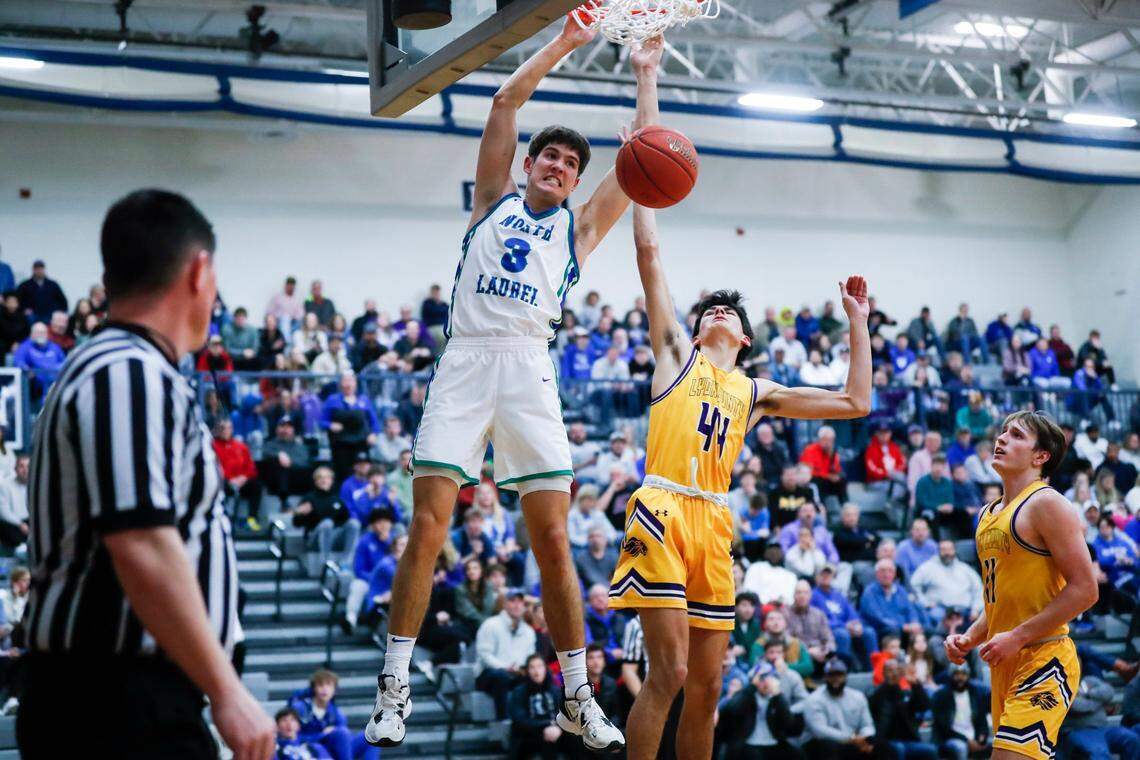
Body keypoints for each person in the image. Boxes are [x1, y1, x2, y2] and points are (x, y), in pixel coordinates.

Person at [368, 20, 654, 752]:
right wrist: (567, 40)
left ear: (576, 181)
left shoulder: (580, 229)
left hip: (530, 368)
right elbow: (502, 101)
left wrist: (645, 74)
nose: (558, 165)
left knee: (554, 541)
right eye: (550, 155)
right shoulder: (491, 199)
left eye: (569, 162)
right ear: (530, 164)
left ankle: (576, 696)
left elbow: (646, 163)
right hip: (466, 362)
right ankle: (394, 686)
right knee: (428, 527)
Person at [611, 189, 871, 760]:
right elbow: (648, 252)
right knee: (670, 672)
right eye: (710, 310)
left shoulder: (757, 392)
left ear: (746, 339)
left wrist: (858, 323)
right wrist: (639, 179)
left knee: (706, 688)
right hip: (663, 507)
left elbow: (855, 402)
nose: (716, 313)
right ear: (699, 329)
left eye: (729, 311)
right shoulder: (676, 353)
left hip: (715, 520)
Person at [19, 190, 275, 758]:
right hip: (116, 703)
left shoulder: (121, 367)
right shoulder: (126, 371)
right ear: (199, 271)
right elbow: (141, 542)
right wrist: (227, 690)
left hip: (122, 698)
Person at [945, 411, 1099, 760]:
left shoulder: (1047, 503)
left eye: (1015, 435)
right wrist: (971, 637)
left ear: (1040, 456)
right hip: (1005, 663)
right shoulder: (987, 514)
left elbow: (1086, 590)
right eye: (1002, 432)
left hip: (1045, 656)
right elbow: (1002, 598)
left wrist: (1016, 636)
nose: (1001, 439)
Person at [717, 660, 806, 759]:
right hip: (748, 743)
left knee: (799, 755)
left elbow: (788, 723)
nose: (766, 682)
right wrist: (752, 686)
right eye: (762, 678)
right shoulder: (747, 695)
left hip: (774, 743)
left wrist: (778, 695)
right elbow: (731, 709)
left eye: (770, 678)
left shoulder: (776, 698)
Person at [475, 590, 537, 719]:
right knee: (501, 676)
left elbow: (530, 656)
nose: (517, 605)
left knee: (537, 675)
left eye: (520, 602)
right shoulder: (490, 624)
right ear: (504, 604)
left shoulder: (528, 631)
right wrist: (505, 667)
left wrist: (522, 668)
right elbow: (484, 654)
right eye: (512, 601)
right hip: (489, 674)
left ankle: (536, 719)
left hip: (516, 672)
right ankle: (503, 719)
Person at [287, 670, 375, 760]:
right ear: (314, 688)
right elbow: (292, 737)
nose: (325, 689)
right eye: (320, 685)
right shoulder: (300, 708)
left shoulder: (336, 713)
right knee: (341, 732)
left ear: (334, 690)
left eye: (329, 685)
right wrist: (322, 735)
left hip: (333, 750)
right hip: (311, 749)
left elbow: (345, 740)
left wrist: (334, 732)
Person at [292, 466, 361, 576]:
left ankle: (346, 562)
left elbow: (345, 520)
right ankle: (326, 563)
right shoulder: (309, 498)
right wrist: (299, 513)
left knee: (354, 523)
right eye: (320, 477)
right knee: (327, 523)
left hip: (334, 536)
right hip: (314, 538)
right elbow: (296, 523)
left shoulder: (337, 499)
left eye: (327, 477)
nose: (324, 480)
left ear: (331, 480)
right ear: (315, 481)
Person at [802, 658, 876, 759]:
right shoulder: (814, 699)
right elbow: (819, 731)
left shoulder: (858, 697)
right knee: (828, 745)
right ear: (825, 677)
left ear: (845, 677)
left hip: (853, 741)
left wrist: (865, 737)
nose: (836, 679)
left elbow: (867, 724)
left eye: (839, 675)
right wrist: (851, 738)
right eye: (831, 675)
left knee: (881, 746)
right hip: (822, 743)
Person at [508, 653, 574, 759]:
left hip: (556, 732)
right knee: (548, 738)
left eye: (539, 666)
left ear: (545, 669)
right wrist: (546, 726)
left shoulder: (555, 690)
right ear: (527, 671)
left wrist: (557, 728)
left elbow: (566, 715)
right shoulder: (519, 692)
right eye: (532, 667)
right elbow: (520, 719)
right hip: (529, 735)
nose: (536, 671)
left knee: (576, 738)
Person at [868, 659, 937, 759]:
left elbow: (924, 706)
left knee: (931, 750)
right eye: (890, 670)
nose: (894, 673)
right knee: (899, 748)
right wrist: (888, 684)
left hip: (908, 741)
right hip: (885, 742)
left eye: (896, 670)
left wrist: (915, 685)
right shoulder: (877, 693)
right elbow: (877, 701)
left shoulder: (905, 693)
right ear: (883, 673)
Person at [812, 565, 877, 671]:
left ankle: (874, 669)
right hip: (829, 629)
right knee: (842, 635)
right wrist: (844, 626)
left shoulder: (838, 595)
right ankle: (843, 671)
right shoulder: (813, 595)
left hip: (846, 627)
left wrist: (857, 625)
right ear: (816, 577)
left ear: (833, 577)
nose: (826, 577)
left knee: (869, 632)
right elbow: (818, 621)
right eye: (822, 574)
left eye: (828, 574)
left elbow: (851, 613)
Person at [910, 541, 983, 628]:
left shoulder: (965, 569)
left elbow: (978, 590)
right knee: (935, 615)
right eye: (943, 550)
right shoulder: (927, 568)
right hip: (940, 610)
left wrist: (975, 609)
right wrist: (925, 602)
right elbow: (913, 586)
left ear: (955, 551)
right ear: (938, 551)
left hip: (965, 611)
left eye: (950, 549)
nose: (947, 553)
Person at [212, 418, 264, 532]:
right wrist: (229, 479)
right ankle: (222, 519)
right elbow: (213, 467)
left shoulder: (240, 446)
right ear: (217, 430)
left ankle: (252, 518)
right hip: (223, 482)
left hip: (241, 482)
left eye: (229, 428)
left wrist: (244, 477)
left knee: (256, 485)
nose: (226, 431)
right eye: (222, 428)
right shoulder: (212, 447)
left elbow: (251, 467)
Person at [931, 662, 990, 760]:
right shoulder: (941, 696)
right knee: (961, 748)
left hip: (973, 736)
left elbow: (982, 720)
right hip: (950, 738)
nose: (960, 678)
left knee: (996, 744)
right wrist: (966, 740)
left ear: (968, 675)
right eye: (956, 674)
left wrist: (982, 736)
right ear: (951, 675)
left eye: (963, 674)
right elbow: (944, 727)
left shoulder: (975, 693)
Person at [859, 559, 924, 641]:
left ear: (894, 574)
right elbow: (878, 618)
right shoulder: (869, 592)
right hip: (879, 629)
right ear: (877, 574)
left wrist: (914, 622)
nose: (886, 574)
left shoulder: (901, 590)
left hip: (902, 627)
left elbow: (910, 610)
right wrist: (902, 626)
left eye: (890, 571)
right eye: (883, 571)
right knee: (893, 630)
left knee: (923, 629)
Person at [260, 417, 313, 502]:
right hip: (276, 480)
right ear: (277, 429)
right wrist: (278, 455)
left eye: (288, 427)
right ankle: (284, 502)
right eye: (282, 426)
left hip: (297, 478)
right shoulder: (269, 444)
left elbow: (305, 461)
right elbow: (264, 455)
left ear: (293, 429)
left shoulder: (300, 446)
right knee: (280, 467)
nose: (285, 430)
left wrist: (290, 462)